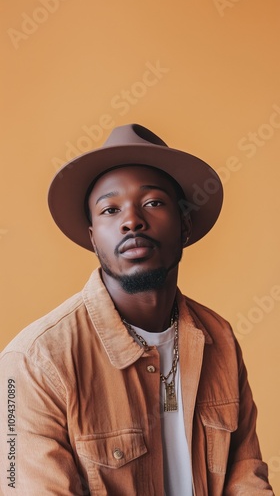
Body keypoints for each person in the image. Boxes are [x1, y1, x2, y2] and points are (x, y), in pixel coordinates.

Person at [0, 124, 274, 495]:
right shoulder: (34, 361)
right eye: (110, 209)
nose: (132, 221)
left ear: (185, 226)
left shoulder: (219, 338)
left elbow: (246, 476)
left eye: (153, 203)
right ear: (93, 238)